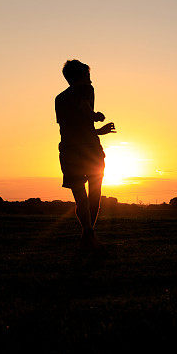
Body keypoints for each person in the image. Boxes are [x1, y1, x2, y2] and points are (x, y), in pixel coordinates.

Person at [55, 60, 116, 249]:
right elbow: (85, 112)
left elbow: (73, 127)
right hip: (89, 151)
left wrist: (98, 130)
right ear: (78, 77)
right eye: (87, 76)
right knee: (94, 193)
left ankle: (87, 235)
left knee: (80, 196)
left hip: (69, 150)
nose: (90, 80)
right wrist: (96, 116)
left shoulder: (59, 99)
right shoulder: (86, 90)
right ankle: (89, 235)